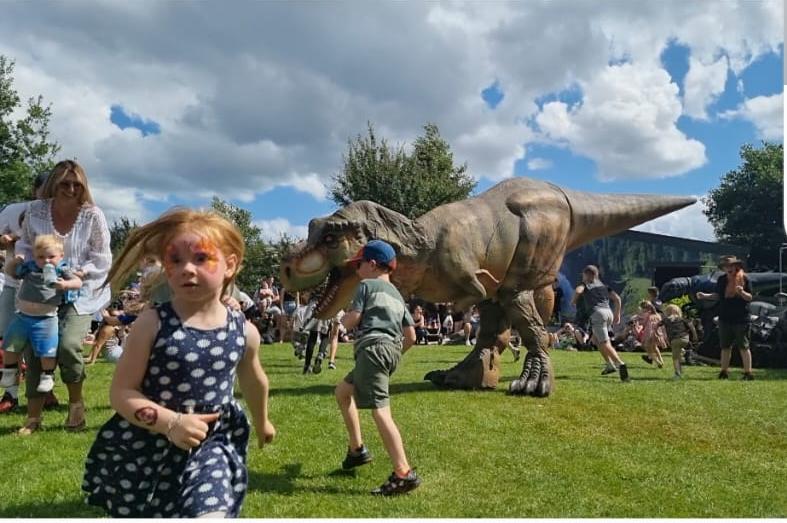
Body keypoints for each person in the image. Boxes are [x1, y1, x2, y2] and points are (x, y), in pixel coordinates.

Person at [82, 208, 276, 517]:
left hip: (212, 442)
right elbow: (122, 392)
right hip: (147, 445)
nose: (187, 268)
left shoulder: (244, 331)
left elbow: (254, 379)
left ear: (230, 265)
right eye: (175, 260)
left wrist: (263, 421)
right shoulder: (152, 323)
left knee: (210, 511)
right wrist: (170, 423)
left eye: (201, 259)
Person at [13, 160, 112, 434]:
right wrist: (20, 257)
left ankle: (76, 407)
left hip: (82, 292)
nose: (70, 189)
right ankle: (33, 417)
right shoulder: (36, 210)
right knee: (34, 350)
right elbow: (25, 243)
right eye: (64, 184)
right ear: (52, 185)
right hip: (42, 291)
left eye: (76, 184)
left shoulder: (93, 215)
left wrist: (80, 274)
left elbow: (103, 258)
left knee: (68, 345)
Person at [335, 239, 421, 496]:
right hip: (388, 352)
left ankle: (403, 473)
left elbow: (354, 317)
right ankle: (357, 450)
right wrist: (392, 353)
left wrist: (340, 325)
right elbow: (411, 337)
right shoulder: (397, 295)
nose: (357, 269)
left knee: (381, 412)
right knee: (342, 392)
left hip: (372, 350)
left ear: (372, 265)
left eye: (359, 264)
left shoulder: (366, 285)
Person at [0, 172, 58, 414]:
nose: (49, 195)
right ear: (35, 190)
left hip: (44, 293)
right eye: (45, 189)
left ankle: (45, 392)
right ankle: (10, 394)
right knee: (10, 340)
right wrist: (6, 241)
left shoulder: (60, 214)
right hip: (13, 284)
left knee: (40, 344)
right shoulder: (14, 210)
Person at [0, 235, 82, 393]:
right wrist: (16, 261)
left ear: (61, 256)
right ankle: (9, 371)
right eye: (41, 257)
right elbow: (11, 273)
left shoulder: (61, 269)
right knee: (10, 344)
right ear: (35, 256)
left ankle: (47, 376)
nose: (46, 261)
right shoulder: (30, 267)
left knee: (47, 350)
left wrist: (64, 284)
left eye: (51, 257)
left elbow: (77, 282)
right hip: (22, 316)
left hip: (46, 319)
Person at [696, 255, 754, 380]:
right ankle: (724, 372)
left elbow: (750, 298)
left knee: (744, 346)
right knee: (725, 346)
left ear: (736, 266)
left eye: (731, 266)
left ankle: (748, 373)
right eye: (725, 266)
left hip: (741, 318)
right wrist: (704, 296)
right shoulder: (722, 280)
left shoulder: (744, 279)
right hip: (724, 318)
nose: (728, 268)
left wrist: (742, 292)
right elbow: (717, 295)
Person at [571, 265, 629, 381]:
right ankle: (609, 365)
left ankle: (620, 363)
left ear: (587, 275)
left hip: (598, 314)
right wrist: (617, 315)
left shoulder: (585, 284)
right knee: (596, 340)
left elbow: (578, 291)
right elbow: (617, 299)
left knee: (604, 342)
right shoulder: (604, 286)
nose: (583, 277)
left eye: (583, 275)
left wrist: (574, 301)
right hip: (608, 313)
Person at [660, 304, 697, 380]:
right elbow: (691, 326)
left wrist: (654, 332)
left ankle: (677, 374)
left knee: (675, 358)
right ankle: (681, 369)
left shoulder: (666, 320)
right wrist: (695, 336)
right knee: (679, 354)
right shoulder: (682, 319)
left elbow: (657, 325)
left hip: (675, 340)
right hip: (685, 339)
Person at [638, 300, 665, 369]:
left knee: (648, 348)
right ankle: (661, 360)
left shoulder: (646, 315)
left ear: (644, 308)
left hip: (649, 333)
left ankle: (658, 362)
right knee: (655, 347)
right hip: (657, 333)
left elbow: (643, 323)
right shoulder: (657, 315)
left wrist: (638, 320)